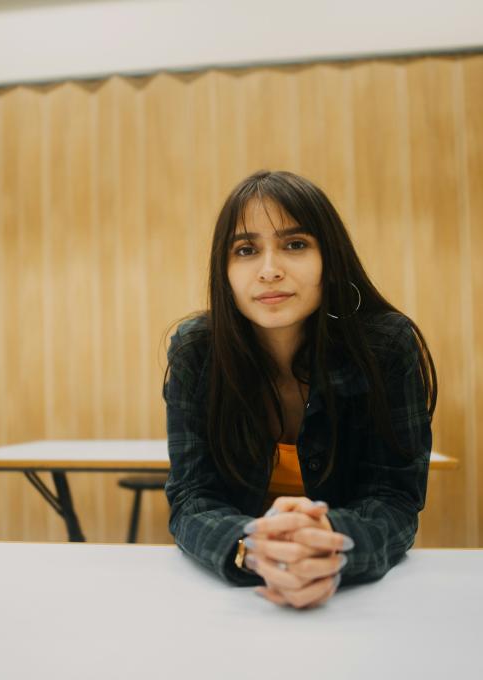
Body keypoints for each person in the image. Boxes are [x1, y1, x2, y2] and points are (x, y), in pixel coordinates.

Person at [162, 170, 437, 610]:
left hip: (357, 602)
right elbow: (192, 497)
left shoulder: (385, 346)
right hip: (240, 599)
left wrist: (329, 542)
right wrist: (249, 548)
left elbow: (394, 500)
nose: (270, 271)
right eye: (246, 250)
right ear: (224, 270)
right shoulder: (197, 351)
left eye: (295, 244)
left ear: (331, 259)